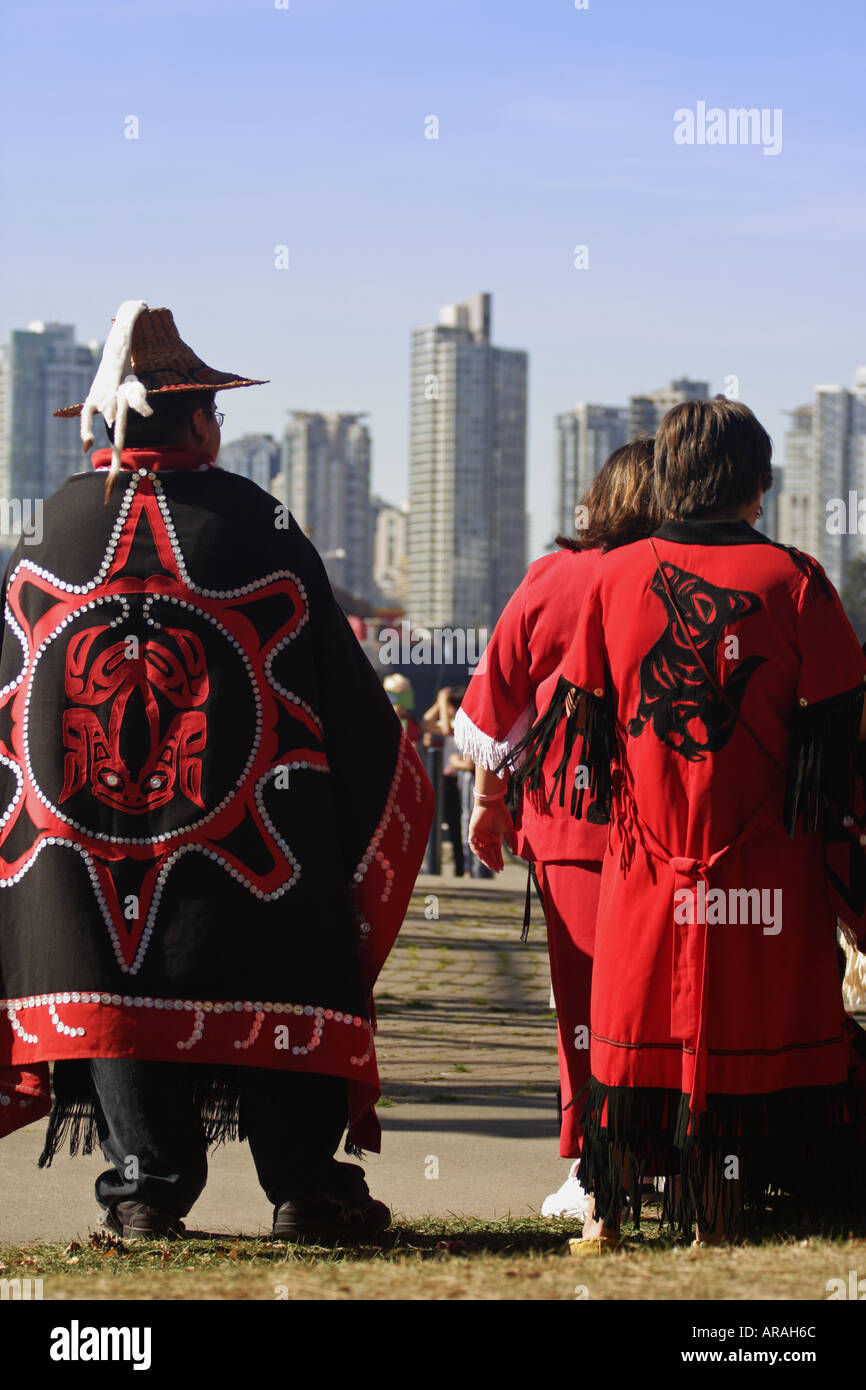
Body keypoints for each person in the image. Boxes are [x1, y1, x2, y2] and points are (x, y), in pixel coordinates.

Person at [0, 301, 433, 1241]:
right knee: (281, 964)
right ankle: (305, 1188)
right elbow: (350, 710)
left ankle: (145, 1191)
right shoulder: (258, 526)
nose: (220, 433)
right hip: (250, 846)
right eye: (216, 416)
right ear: (194, 419)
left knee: (119, 984)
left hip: (82, 835)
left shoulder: (49, 533)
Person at [505, 397, 866, 1246]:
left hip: (647, 868)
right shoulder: (799, 580)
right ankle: (727, 1212)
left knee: (634, 1037)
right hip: (765, 873)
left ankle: (610, 1218)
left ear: (669, 477)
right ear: (757, 484)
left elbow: (585, 734)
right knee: (758, 1033)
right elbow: (840, 748)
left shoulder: (610, 578)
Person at [453, 441, 661, 1216]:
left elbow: (497, 702)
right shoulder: (679, 580)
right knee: (664, 999)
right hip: (671, 828)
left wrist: (488, 799)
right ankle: (670, 1155)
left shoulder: (554, 577)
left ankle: (594, 1167)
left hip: (571, 824)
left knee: (583, 1006)